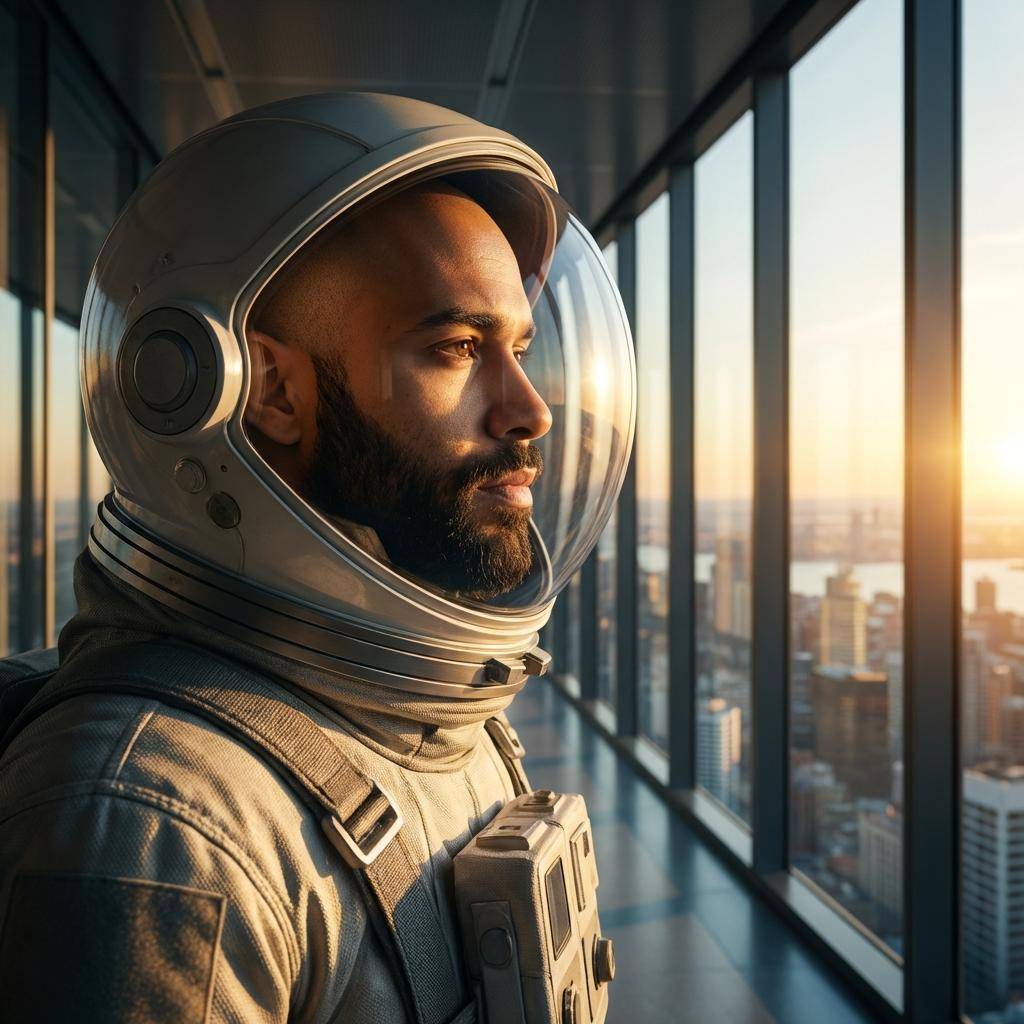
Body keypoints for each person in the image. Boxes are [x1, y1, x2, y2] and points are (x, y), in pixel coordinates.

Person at [0, 93, 635, 1022]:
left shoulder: (412, 716)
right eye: (459, 348)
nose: (529, 410)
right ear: (267, 392)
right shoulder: (151, 827)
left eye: (521, 348)